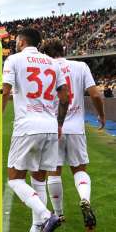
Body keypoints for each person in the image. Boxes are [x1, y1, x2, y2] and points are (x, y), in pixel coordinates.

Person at [2, 28, 69, 232]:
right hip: (49, 126)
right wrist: (59, 123)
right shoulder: (53, 63)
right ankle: (37, 226)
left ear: (22, 42)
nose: (15, 43)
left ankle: (47, 216)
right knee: (39, 178)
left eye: (16, 40)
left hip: (27, 126)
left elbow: (5, 91)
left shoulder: (14, 60)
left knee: (14, 179)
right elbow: (65, 97)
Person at [41, 38, 105, 230]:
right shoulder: (81, 66)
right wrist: (101, 115)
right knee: (79, 170)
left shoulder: (45, 68)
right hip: (76, 127)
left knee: (54, 171)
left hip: (53, 126)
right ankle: (84, 199)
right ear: (63, 49)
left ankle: (58, 215)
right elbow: (94, 94)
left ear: (46, 53)